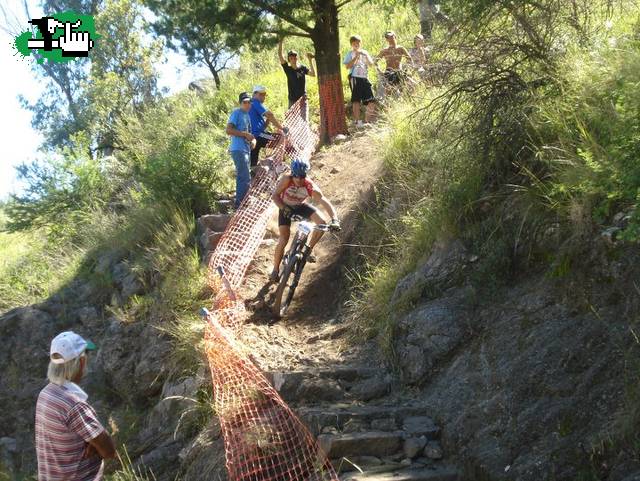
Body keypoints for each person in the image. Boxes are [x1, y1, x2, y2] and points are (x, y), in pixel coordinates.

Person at [35, 331, 116, 481]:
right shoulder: (74, 405)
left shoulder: (45, 394)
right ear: (81, 362)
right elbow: (109, 451)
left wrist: (92, 440)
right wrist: (97, 443)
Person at [270, 159, 340, 282]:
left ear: (306, 175)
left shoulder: (310, 186)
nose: (298, 179)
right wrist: (284, 208)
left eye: (302, 176)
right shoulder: (286, 179)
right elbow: (275, 196)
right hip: (285, 207)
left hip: (301, 207)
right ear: (292, 173)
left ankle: (308, 250)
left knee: (322, 222)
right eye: (296, 175)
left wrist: (335, 219)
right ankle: (275, 270)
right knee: (284, 238)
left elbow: (324, 202)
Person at [227, 91, 256, 207]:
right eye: (245, 102)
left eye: (250, 102)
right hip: (238, 149)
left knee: (245, 175)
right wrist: (244, 134)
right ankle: (240, 204)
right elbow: (228, 130)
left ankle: (243, 202)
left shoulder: (247, 116)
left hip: (245, 150)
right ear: (240, 103)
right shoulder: (236, 113)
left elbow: (250, 135)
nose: (248, 104)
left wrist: (253, 140)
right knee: (244, 176)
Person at [249, 85, 287, 169]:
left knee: (253, 165)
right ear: (255, 94)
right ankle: (279, 164)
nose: (263, 96)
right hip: (258, 135)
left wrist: (268, 120)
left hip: (252, 138)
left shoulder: (249, 105)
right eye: (261, 94)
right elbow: (269, 115)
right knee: (280, 139)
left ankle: (255, 177)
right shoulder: (255, 102)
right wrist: (281, 128)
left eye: (264, 94)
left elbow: (262, 126)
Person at [343, 35, 376, 129]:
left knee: (371, 100)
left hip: (364, 78)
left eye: (358, 43)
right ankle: (357, 122)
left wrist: (365, 55)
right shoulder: (350, 53)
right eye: (354, 43)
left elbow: (371, 64)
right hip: (355, 78)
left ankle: (367, 121)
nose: (356, 45)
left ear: (360, 43)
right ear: (351, 44)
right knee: (356, 100)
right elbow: (347, 66)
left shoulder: (365, 52)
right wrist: (356, 57)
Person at [278, 38, 316, 115]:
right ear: (289, 59)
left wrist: (310, 60)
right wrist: (281, 41)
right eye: (291, 58)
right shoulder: (287, 69)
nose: (293, 59)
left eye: (295, 57)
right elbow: (280, 55)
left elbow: (313, 74)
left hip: (302, 98)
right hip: (292, 99)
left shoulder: (302, 68)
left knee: (304, 119)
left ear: (297, 58)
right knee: (291, 119)